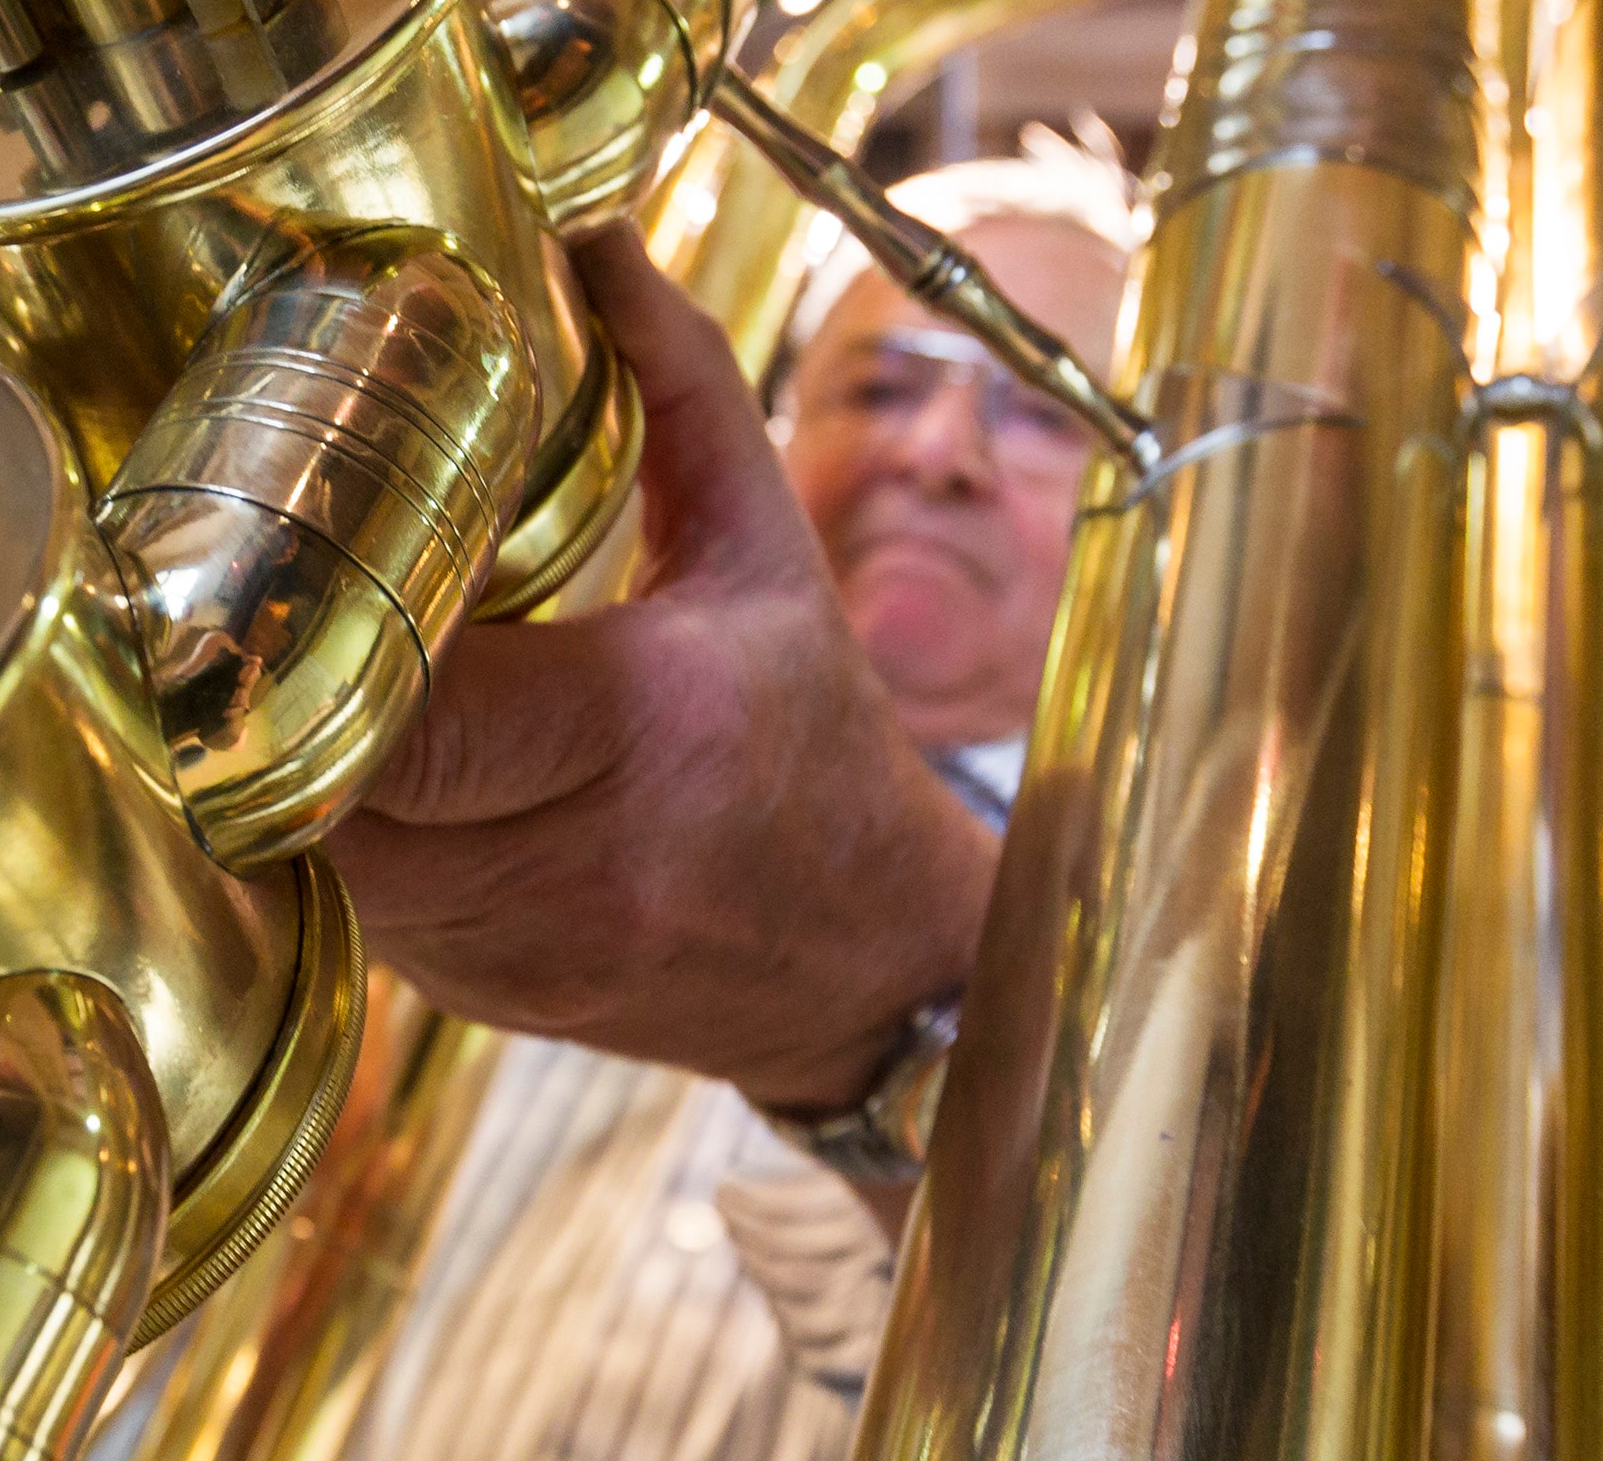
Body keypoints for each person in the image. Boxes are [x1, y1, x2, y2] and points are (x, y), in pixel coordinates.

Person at [328, 130, 1137, 1461]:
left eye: (1042, 407)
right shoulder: (528, 737)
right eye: (879, 388)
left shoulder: (1187, 936)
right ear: (774, 434)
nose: (941, 451)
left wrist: (902, 1002)